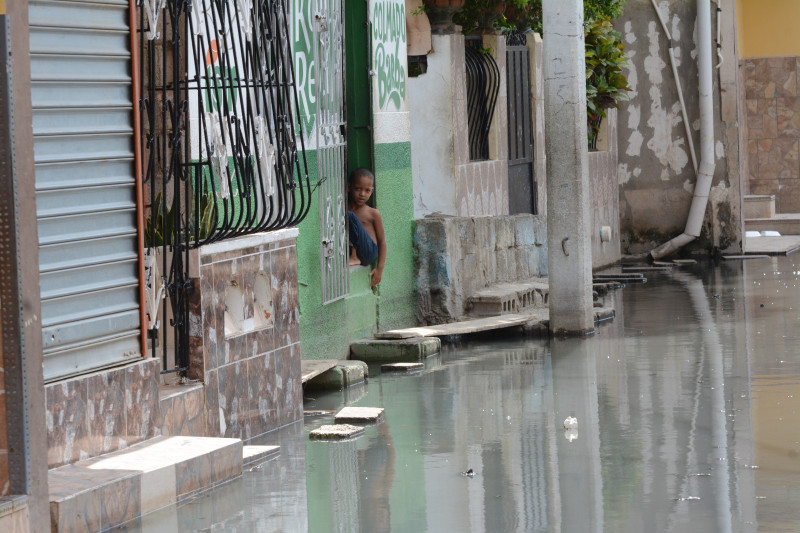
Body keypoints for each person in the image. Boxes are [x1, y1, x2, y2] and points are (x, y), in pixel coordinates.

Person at [346, 168, 386, 287]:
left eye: (367, 190)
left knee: (349, 216)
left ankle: (354, 257)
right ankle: (351, 255)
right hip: (348, 249)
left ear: (372, 191)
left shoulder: (373, 213)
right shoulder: (344, 208)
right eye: (358, 189)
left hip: (369, 251)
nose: (362, 194)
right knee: (345, 214)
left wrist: (380, 269)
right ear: (349, 187)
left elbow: (382, 242)